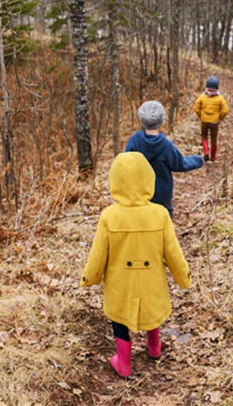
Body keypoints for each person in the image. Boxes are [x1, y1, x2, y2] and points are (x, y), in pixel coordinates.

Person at [81, 151, 192, 378]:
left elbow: (98, 254)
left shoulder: (109, 216)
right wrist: (183, 277)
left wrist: (90, 278)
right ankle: (154, 347)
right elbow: (173, 252)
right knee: (151, 309)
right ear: (148, 179)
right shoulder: (160, 213)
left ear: (115, 181)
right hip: (152, 281)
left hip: (120, 283)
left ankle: (124, 363)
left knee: (119, 317)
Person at [124, 100, 204, 218]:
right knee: (164, 225)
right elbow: (180, 164)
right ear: (162, 121)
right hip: (162, 197)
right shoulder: (166, 145)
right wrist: (198, 160)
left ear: (141, 120)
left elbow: (125, 165)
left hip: (138, 195)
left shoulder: (134, 141)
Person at [193, 75, 229, 162]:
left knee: (204, 136)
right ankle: (213, 156)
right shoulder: (220, 98)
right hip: (214, 122)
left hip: (204, 121)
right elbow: (225, 110)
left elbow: (196, 108)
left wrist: (201, 116)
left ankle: (206, 152)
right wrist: (220, 117)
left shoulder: (202, 96)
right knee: (214, 139)